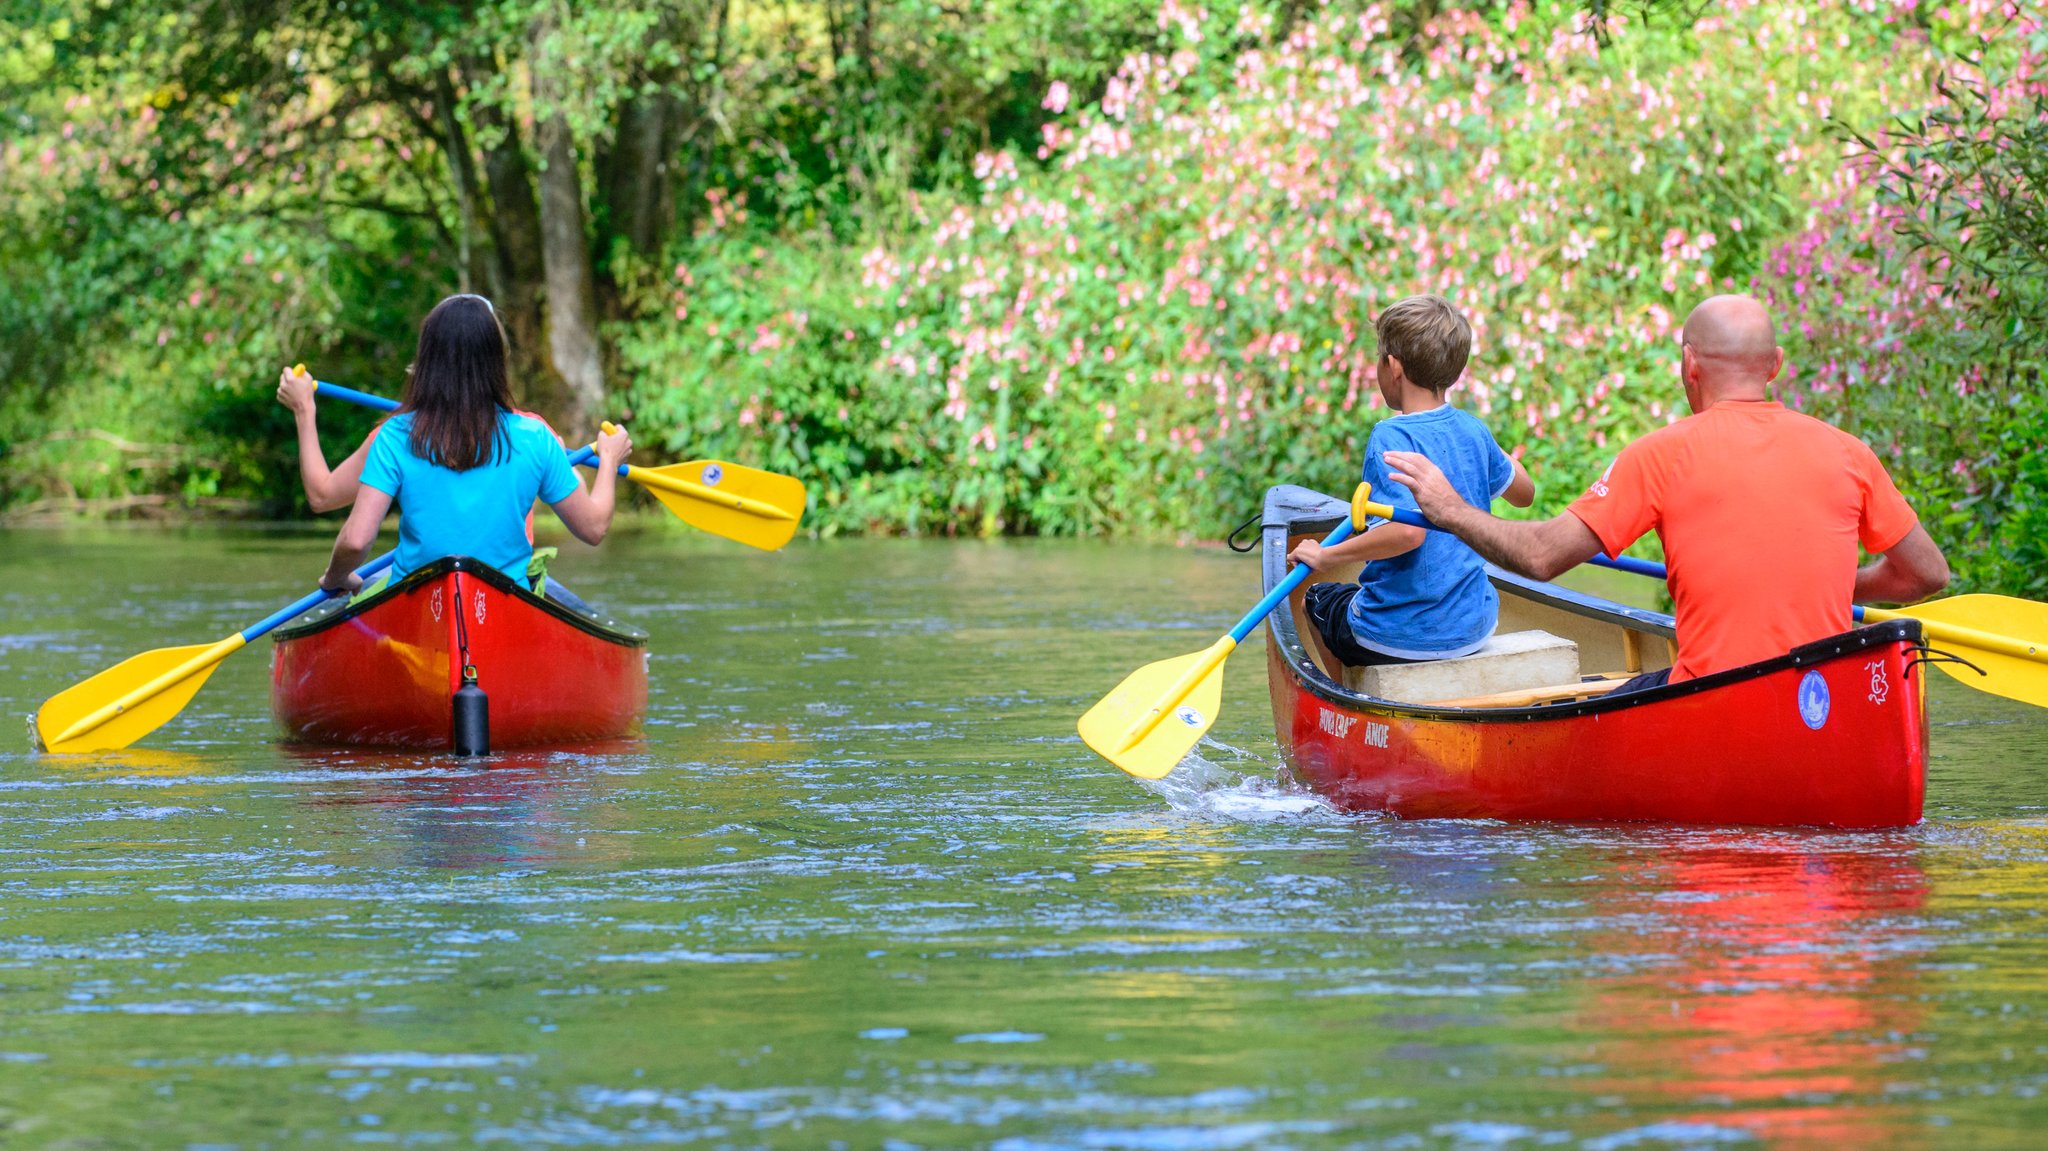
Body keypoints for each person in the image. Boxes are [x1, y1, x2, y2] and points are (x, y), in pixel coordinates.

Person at [1383, 293, 1950, 690]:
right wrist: (1819, 577)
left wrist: (1452, 510)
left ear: (1689, 364)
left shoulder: (1659, 455)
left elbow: (1540, 556)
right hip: (1822, 694)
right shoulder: (1849, 452)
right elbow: (1926, 575)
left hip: (1716, 696)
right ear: (1775, 365)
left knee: (1585, 699)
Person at [316, 294, 631, 598]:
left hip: (415, 601)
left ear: (426, 359)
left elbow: (356, 541)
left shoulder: (395, 435)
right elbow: (593, 527)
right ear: (497, 360)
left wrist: (336, 577)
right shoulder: (536, 437)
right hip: (505, 603)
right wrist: (608, 460)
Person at [1287, 294, 1535, 672]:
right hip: (1474, 628)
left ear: (1392, 366)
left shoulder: (1389, 437)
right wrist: (1475, 439)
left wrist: (1325, 556)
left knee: (1317, 600)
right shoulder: (1473, 429)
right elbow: (1525, 494)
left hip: (1398, 637)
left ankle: (1345, 699)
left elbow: (1407, 534)